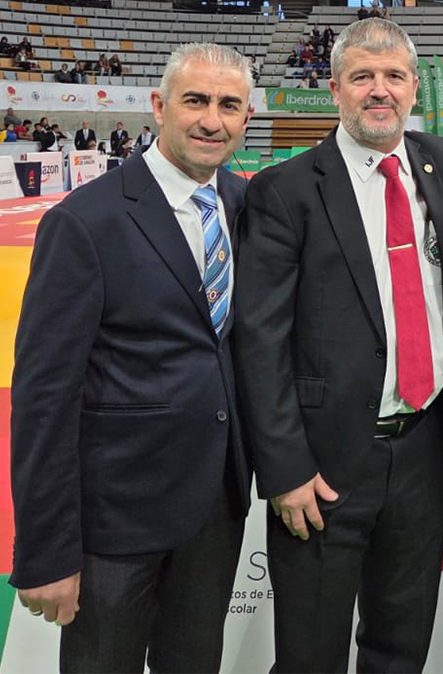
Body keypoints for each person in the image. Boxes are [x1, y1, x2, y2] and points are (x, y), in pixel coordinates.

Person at [232, 18, 443, 672]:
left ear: (414, 87)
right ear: (335, 88)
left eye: (394, 76)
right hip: (323, 460)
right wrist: (285, 468)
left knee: (401, 644)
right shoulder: (286, 189)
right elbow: (259, 338)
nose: (380, 90)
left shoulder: (441, 163)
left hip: (421, 447)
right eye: (363, 76)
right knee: (310, 654)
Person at [9, 43, 255, 670]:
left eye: (229, 105)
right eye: (195, 100)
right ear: (158, 107)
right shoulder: (85, 221)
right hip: (115, 518)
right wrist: (46, 549)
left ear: (247, 117)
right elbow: (44, 397)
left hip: (215, 506)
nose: (211, 120)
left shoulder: (247, 205)